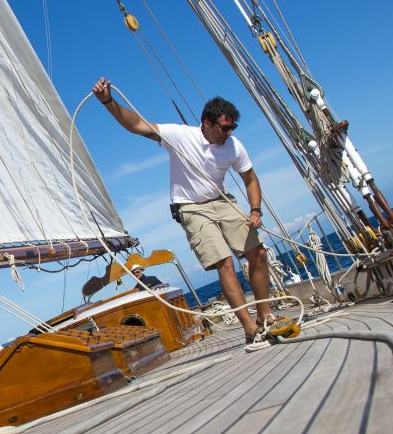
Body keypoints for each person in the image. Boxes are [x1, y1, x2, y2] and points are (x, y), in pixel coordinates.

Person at [93, 77, 275, 351]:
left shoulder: (234, 146)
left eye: (232, 127)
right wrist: (108, 102)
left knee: (258, 254)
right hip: (190, 207)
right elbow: (137, 125)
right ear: (207, 123)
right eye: (225, 127)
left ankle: (266, 316)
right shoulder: (179, 135)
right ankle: (250, 328)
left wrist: (255, 209)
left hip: (222, 200)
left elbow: (250, 178)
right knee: (224, 263)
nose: (229, 132)